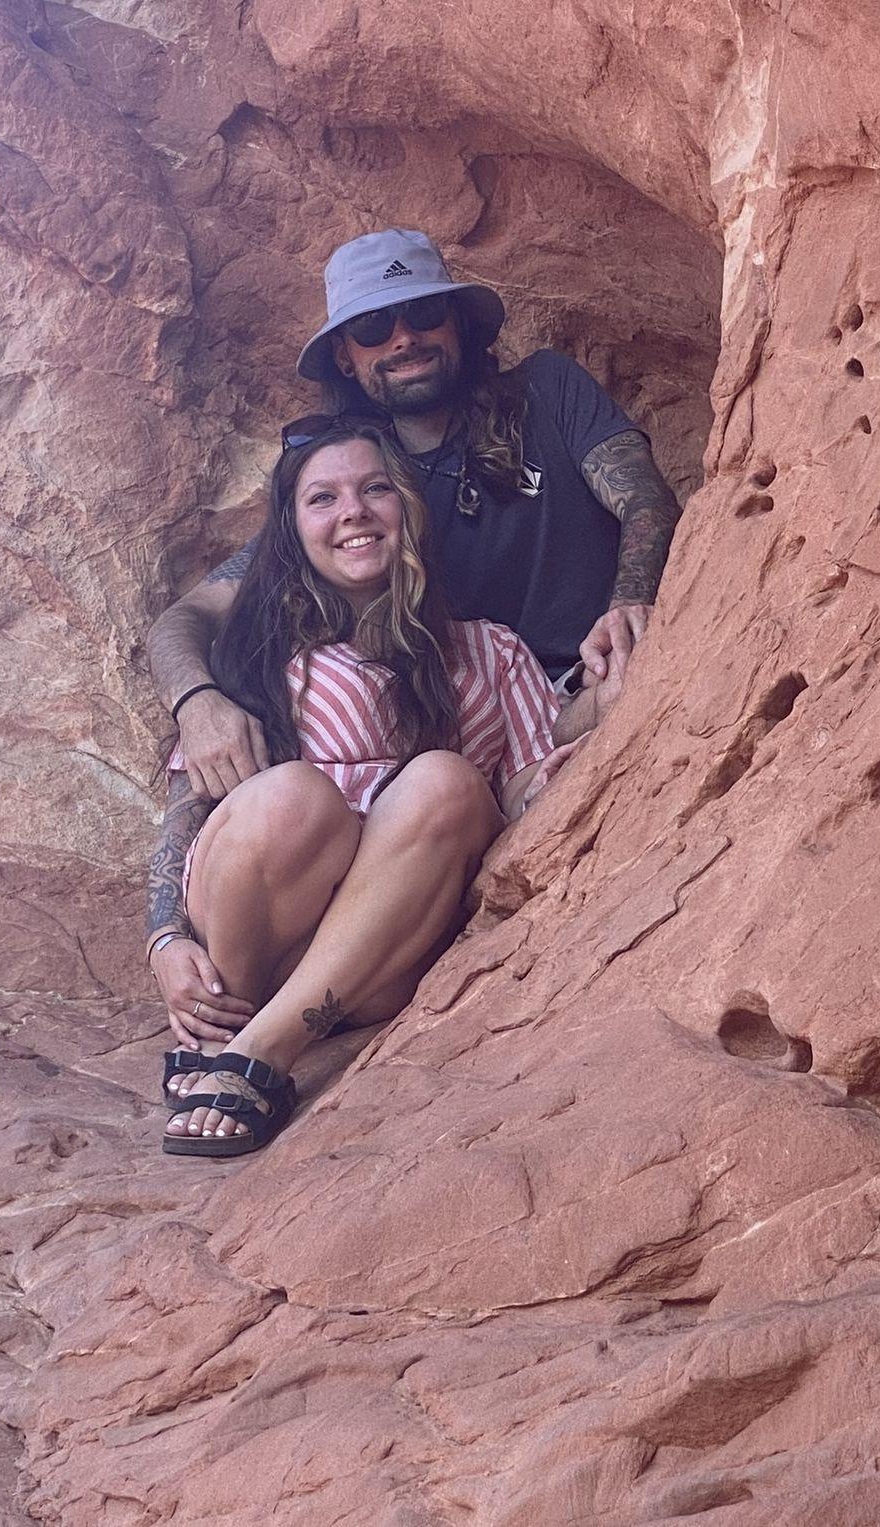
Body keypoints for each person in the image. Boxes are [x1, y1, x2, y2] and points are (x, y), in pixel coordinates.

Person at [146, 418, 614, 1157]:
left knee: (446, 780)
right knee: (289, 795)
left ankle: (258, 1051)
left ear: (408, 508)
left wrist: (608, 703)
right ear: (294, 530)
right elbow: (187, 812)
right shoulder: (251, 650)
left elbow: (529, 781)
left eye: (374, 489)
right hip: (258, 934)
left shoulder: (488, 650)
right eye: (322, 499)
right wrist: (165, 942)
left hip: (380, 953)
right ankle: (229, 1028)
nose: (353, 512)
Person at [148, 226, 680, 805]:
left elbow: (644, 499)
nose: (403, 339)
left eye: (423, 312)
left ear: (458, 323)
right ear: (345, 359)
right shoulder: (363, 481)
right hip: (485, 735)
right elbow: (197, 612)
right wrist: (195, 701)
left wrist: (629, 604)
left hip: (597, 670)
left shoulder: (546, 391)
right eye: (374, 327)